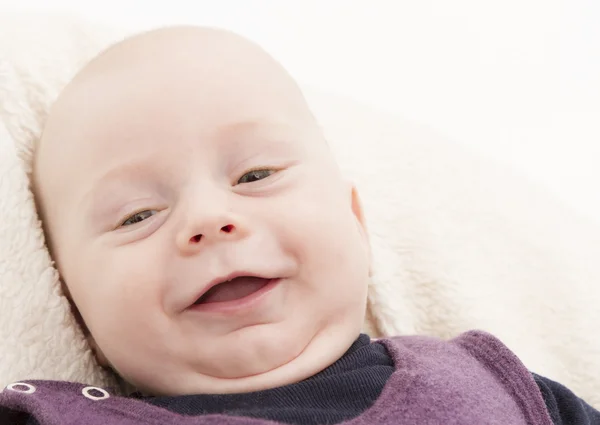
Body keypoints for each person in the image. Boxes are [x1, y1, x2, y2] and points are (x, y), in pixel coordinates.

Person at [0, 25, 597, 425]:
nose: (209, 220)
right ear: (74, 309)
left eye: (256, 175)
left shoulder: (490, 380)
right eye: (138, 215)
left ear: (356, 226)